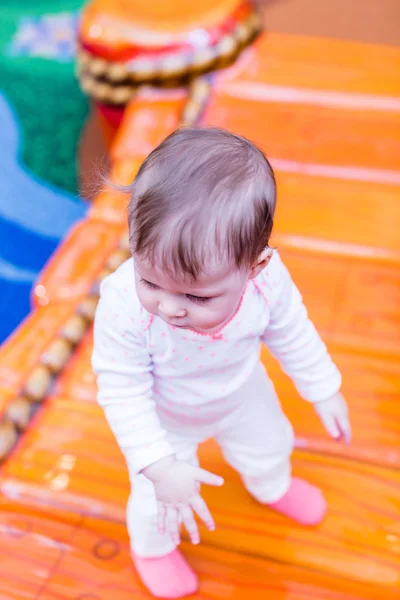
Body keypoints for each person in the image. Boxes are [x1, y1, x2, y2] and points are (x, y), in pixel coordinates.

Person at [92, 127, 351, 598]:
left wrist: (322, 386)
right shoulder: (125, 303)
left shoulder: (268, 285)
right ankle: (153, 548)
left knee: (272, 441)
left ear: (255, 265)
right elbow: (120, 387)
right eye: (151, 281)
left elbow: (292, 330)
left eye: (196, 294)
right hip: (165, 415)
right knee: (157, 498)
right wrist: (158, 461)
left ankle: (271, 484)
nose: (170, 307)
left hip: (240, 390)